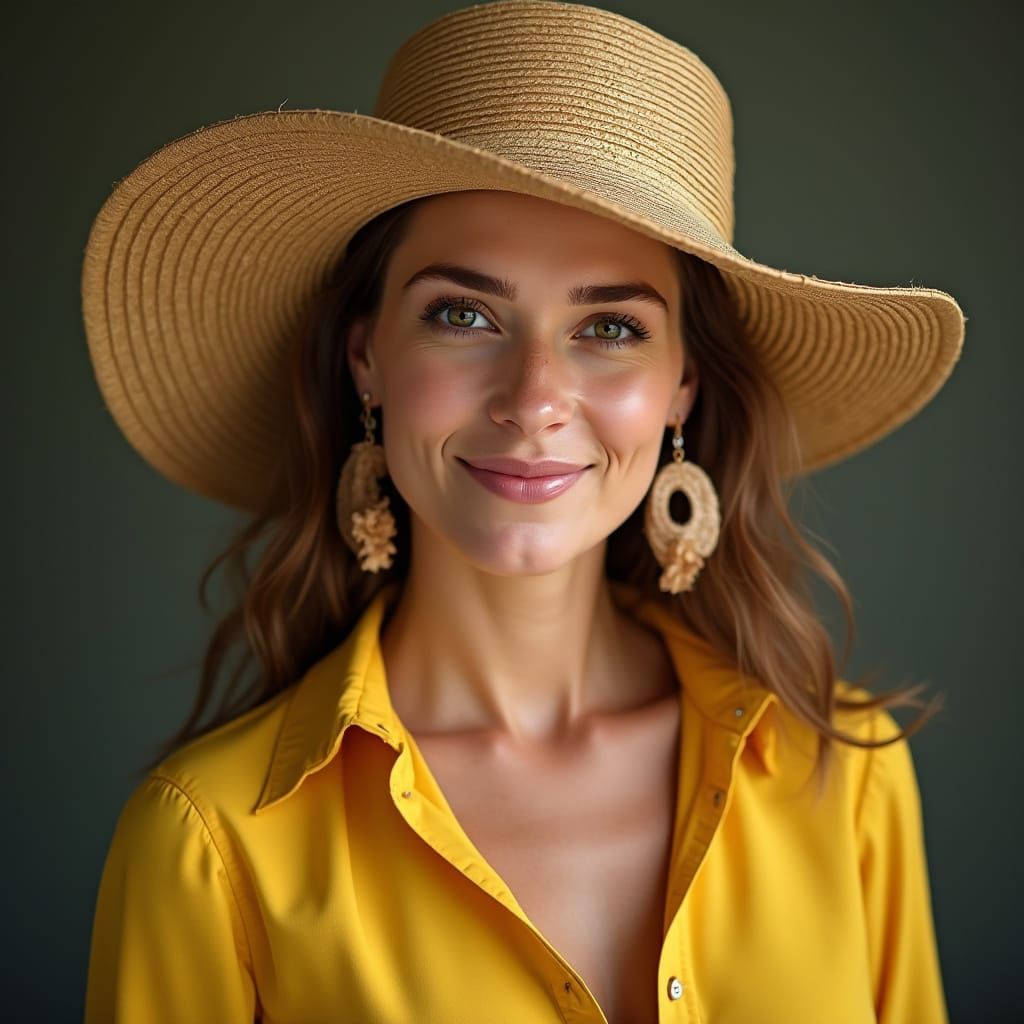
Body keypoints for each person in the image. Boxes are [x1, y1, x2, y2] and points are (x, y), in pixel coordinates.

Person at [80, 2, 963, 1022]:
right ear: (367, 358)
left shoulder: (844, 775)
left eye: (609, 326)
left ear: (682, 387)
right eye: (463, 314)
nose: (535, 396)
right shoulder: (207, 842)